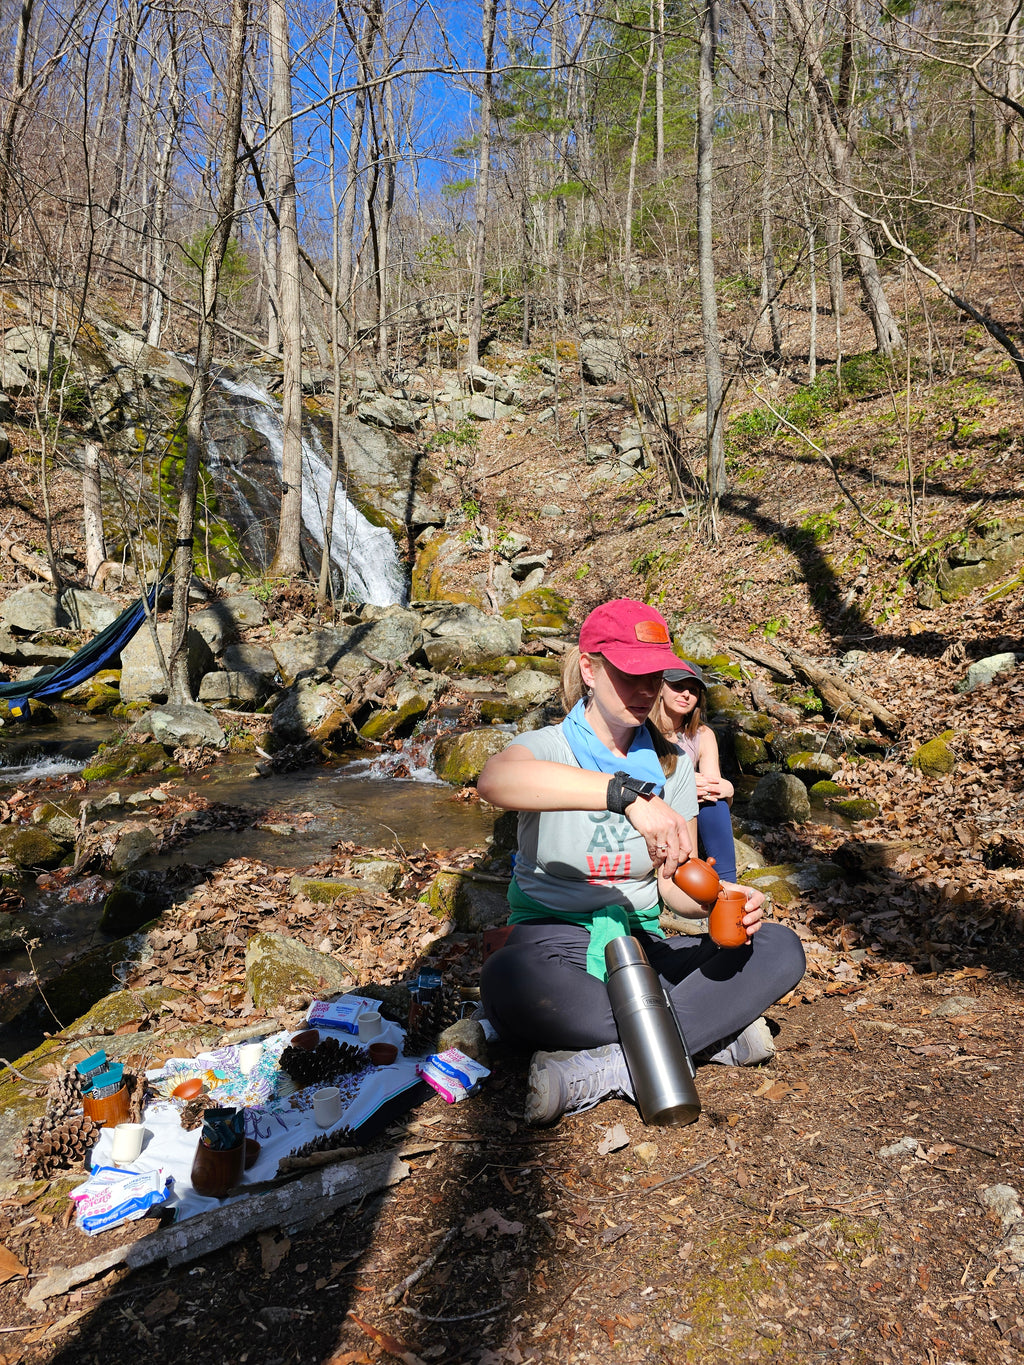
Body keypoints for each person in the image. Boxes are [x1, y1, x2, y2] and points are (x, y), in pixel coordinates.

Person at [478, 598, 805, 1126]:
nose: (646, 690)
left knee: (780, 948)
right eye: (630, 674)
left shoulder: (673, 764)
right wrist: (624, 795)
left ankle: (608, 1069)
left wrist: (720, 902)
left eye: (655, 675)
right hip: (553, 945)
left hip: (642, 947)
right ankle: (710, 1032)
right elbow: (495, 781)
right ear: (589, 667)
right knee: (507, 982)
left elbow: (675, 883)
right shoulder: (549, 747)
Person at [652, 661, 738, 883]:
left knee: (715, 803)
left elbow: (712, 785)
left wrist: (727, 789)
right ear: (661, 687)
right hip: (653, 801)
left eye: (693, 690)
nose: (686, 694)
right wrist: (686, 782)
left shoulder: (703, 734)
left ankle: (725, 885)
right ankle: (690, 879)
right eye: (678, 686)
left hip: (689, 806)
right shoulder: (643, 727)